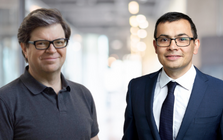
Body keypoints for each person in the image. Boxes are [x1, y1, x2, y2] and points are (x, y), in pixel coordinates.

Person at [0, 8, 99, 140]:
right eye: (41, 43)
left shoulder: (83, 95)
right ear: (24, 48)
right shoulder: (5, 101)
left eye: (58, 42)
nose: (52, 50)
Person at [122, 12, 223, 140]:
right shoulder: (136, 87)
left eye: (182, 39)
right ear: (155, 46)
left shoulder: (219, 91)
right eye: (164, 40)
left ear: (195, 45)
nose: (172, 47)